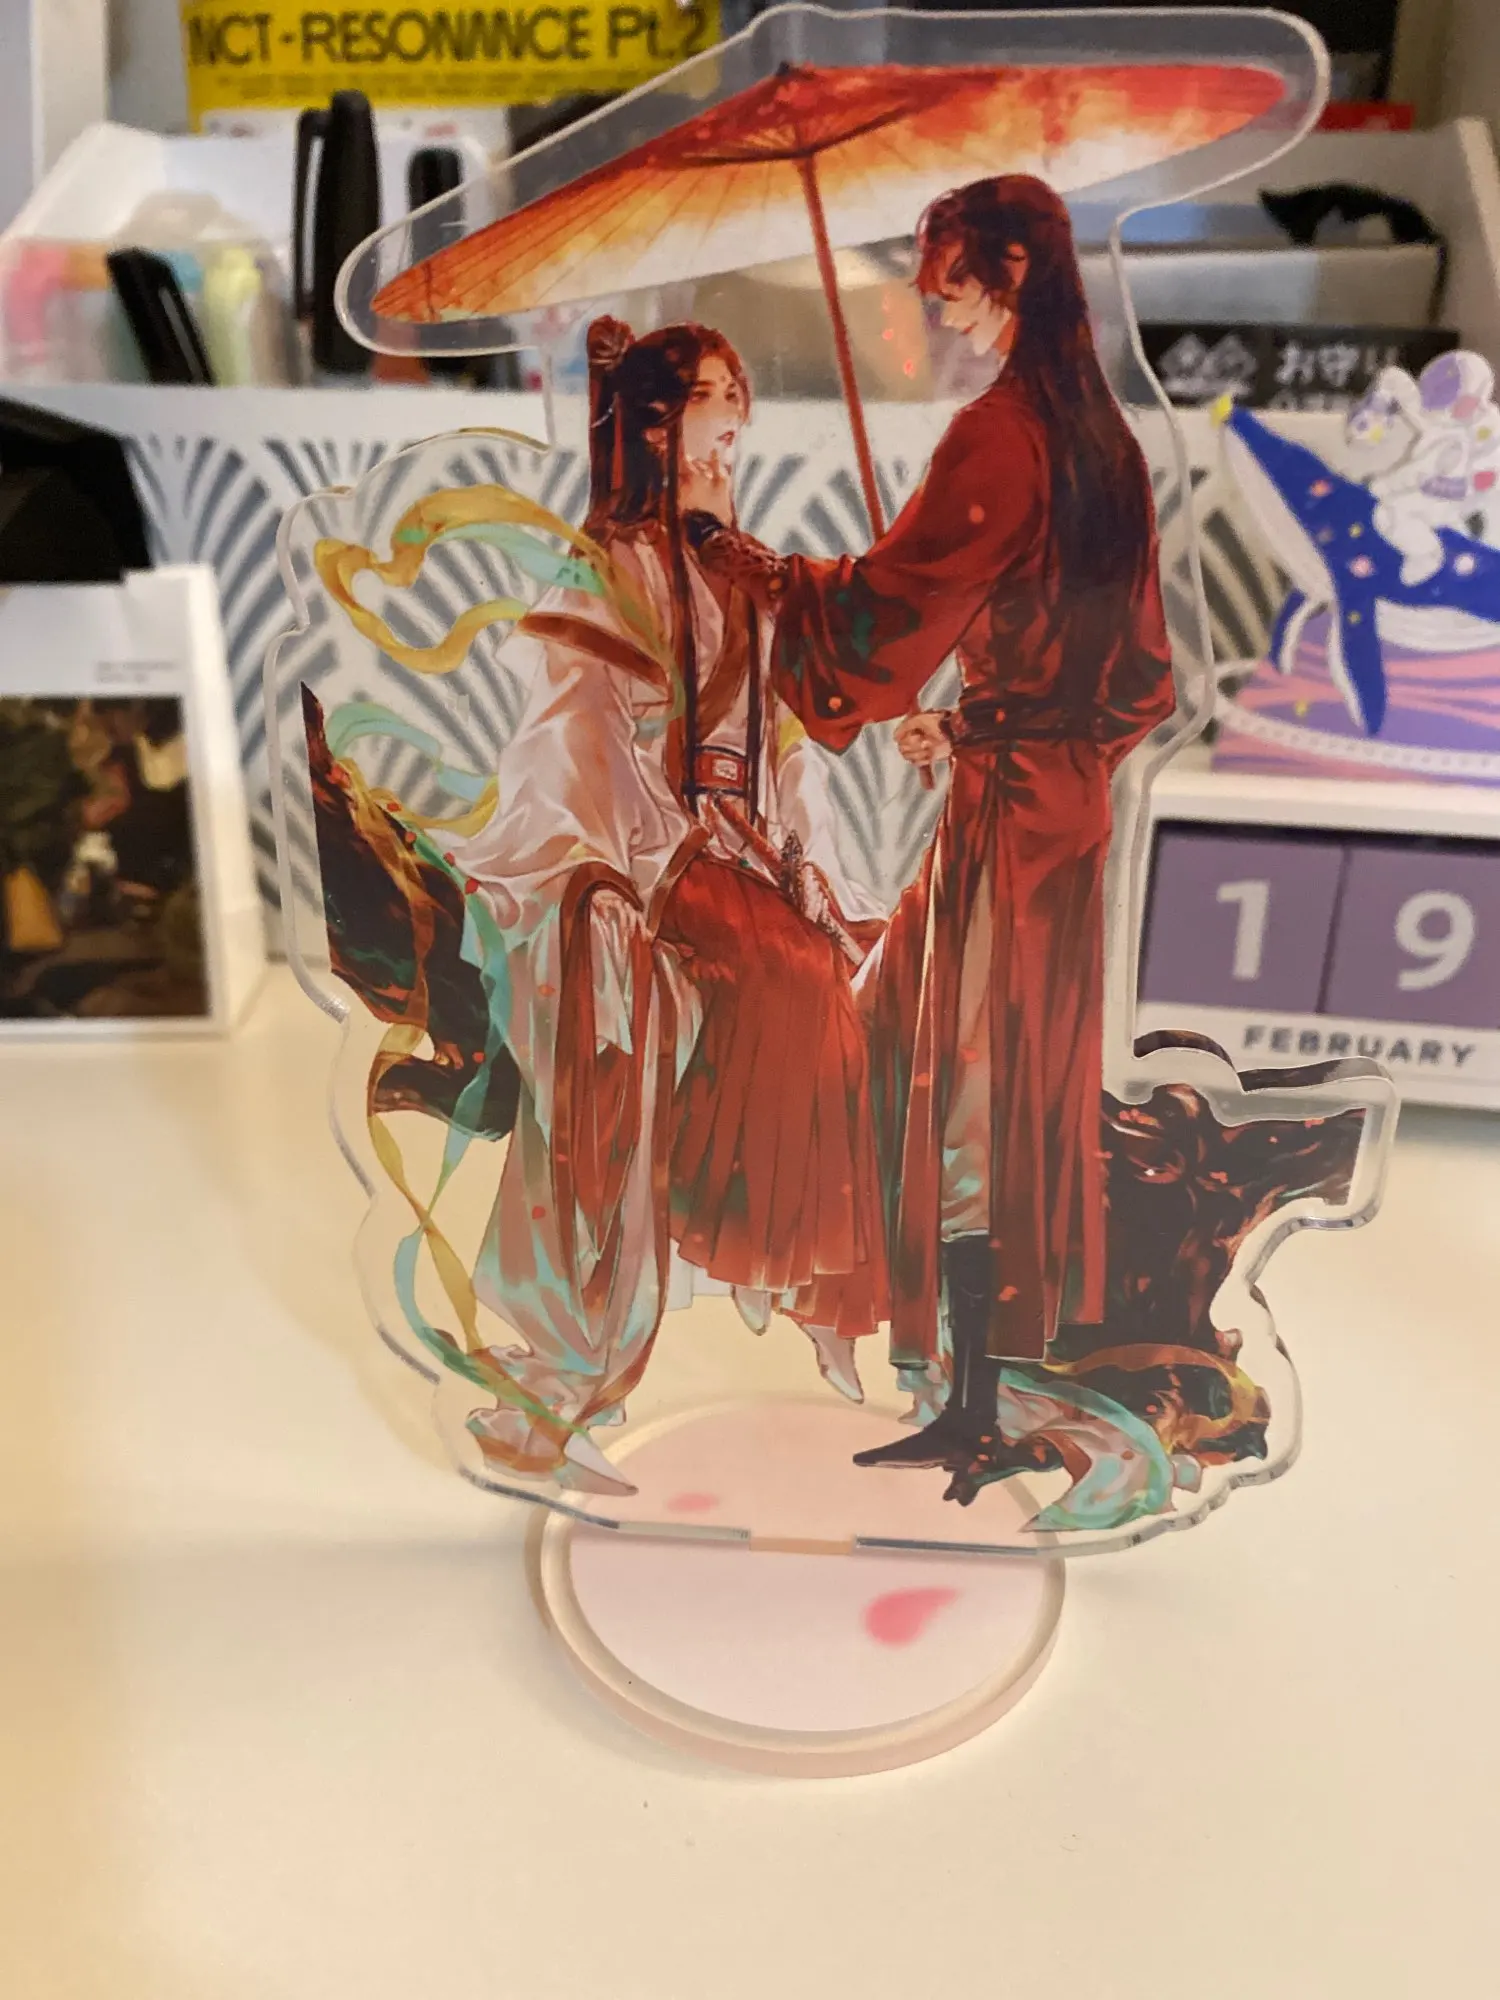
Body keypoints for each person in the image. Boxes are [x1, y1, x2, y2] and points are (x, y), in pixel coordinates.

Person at [691, 175, 1177, 1489]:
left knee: (956, 1091)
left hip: (1011, 825)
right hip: (1058, 808)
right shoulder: (1105, 443)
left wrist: (761, 570)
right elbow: (1135, 679)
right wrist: (977, 724)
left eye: (947, 276)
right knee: (993, 1089)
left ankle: (980, 1403)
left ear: (1011, 272)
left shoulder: (1003, 437)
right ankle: (977, 1389)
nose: (931, 300)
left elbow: (889, 610)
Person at [447, 317, 888, 1494]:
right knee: (787, 972)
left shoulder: (748, 567)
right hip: (651, 844)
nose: (732, 415)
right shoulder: (606, 567)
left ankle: (826, 1289)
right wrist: (627, 863)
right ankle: (614, 1335)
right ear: (654, 423)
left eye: (739, 392)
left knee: (869, 967)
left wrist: (804, 857)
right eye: (707, 395)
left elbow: (788, 743)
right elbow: (577, 737)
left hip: (752, 841)